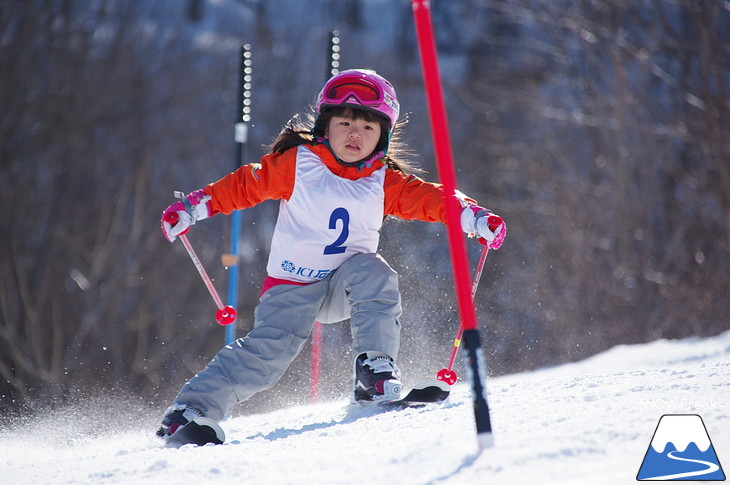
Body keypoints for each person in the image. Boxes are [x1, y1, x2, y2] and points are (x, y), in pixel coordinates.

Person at [156, 69, 505, 439]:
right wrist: (194, 207)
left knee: (375, 272)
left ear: (382, 138)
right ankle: (190, 410)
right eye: (346, 122)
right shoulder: (298, 164)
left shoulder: (384, 180)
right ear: (326, 125)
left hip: (345, 285)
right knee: (268, 356)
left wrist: (473, 216)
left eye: (368, 128)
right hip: (291, 286)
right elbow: (244, 184)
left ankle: (374, 372)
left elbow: (433, 198)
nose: (355, 134)